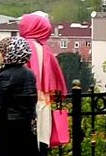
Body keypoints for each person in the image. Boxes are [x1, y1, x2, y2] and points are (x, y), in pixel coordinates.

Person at [18, 12, 70, 148]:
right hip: (44, 102)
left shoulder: (25, 47)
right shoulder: (45, 49)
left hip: (28, 103)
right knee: (42, 143)